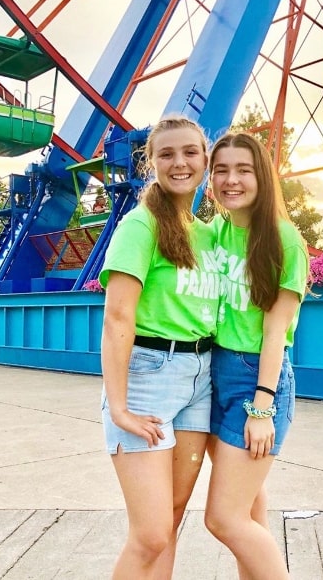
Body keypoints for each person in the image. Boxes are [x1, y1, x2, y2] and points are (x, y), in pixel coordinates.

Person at [99, 116, 220, 579]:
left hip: (200, 379)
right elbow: (117, 318)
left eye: (190, 152)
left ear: (205, 159)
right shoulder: (140, 225)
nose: (180, 162)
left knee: (170, 517)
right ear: (150, 163)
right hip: (149, 375)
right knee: (149, 533)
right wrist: (119, 406)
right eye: (166, 154)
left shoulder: (207, 234)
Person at [205, 132, 309, 580]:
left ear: (262, 177)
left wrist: (262, 407)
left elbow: (275, 332)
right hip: (213, 371)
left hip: (257, 377)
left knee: (223, 519)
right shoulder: (216, 231)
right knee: (249, 508)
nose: (231, 179)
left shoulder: (285, 240)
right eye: (222, 170)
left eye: (243, 170)